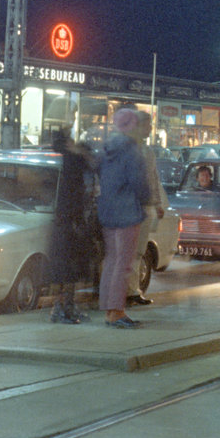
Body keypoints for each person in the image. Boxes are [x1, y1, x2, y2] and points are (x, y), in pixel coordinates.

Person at [95, 108, 151, 328]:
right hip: (127, 212)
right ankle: (117, 311)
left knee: (111, 261)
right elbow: (139, 183)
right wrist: (145, 201)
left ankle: (108, 310)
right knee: (124, 263)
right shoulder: (132, 151)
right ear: (133, 126)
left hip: (107, 211)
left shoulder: (106, 149)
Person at [47, 129, 95, 324]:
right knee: (68, 267)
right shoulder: (72, 161)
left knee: (65, 268)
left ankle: (63, 306)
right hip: (71, 221)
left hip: (65, 220)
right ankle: (62, 307)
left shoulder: (63, 160)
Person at [124, 110, 167, 307]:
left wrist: (157, 204)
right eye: (148, 125)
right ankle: (126, 290)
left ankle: (133, 289)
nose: (150, 129)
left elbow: (153, 178)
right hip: (131, 208)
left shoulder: (148, 152)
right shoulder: (128, 149)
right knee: (129, 250)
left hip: (145, 207)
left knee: (139, 251)